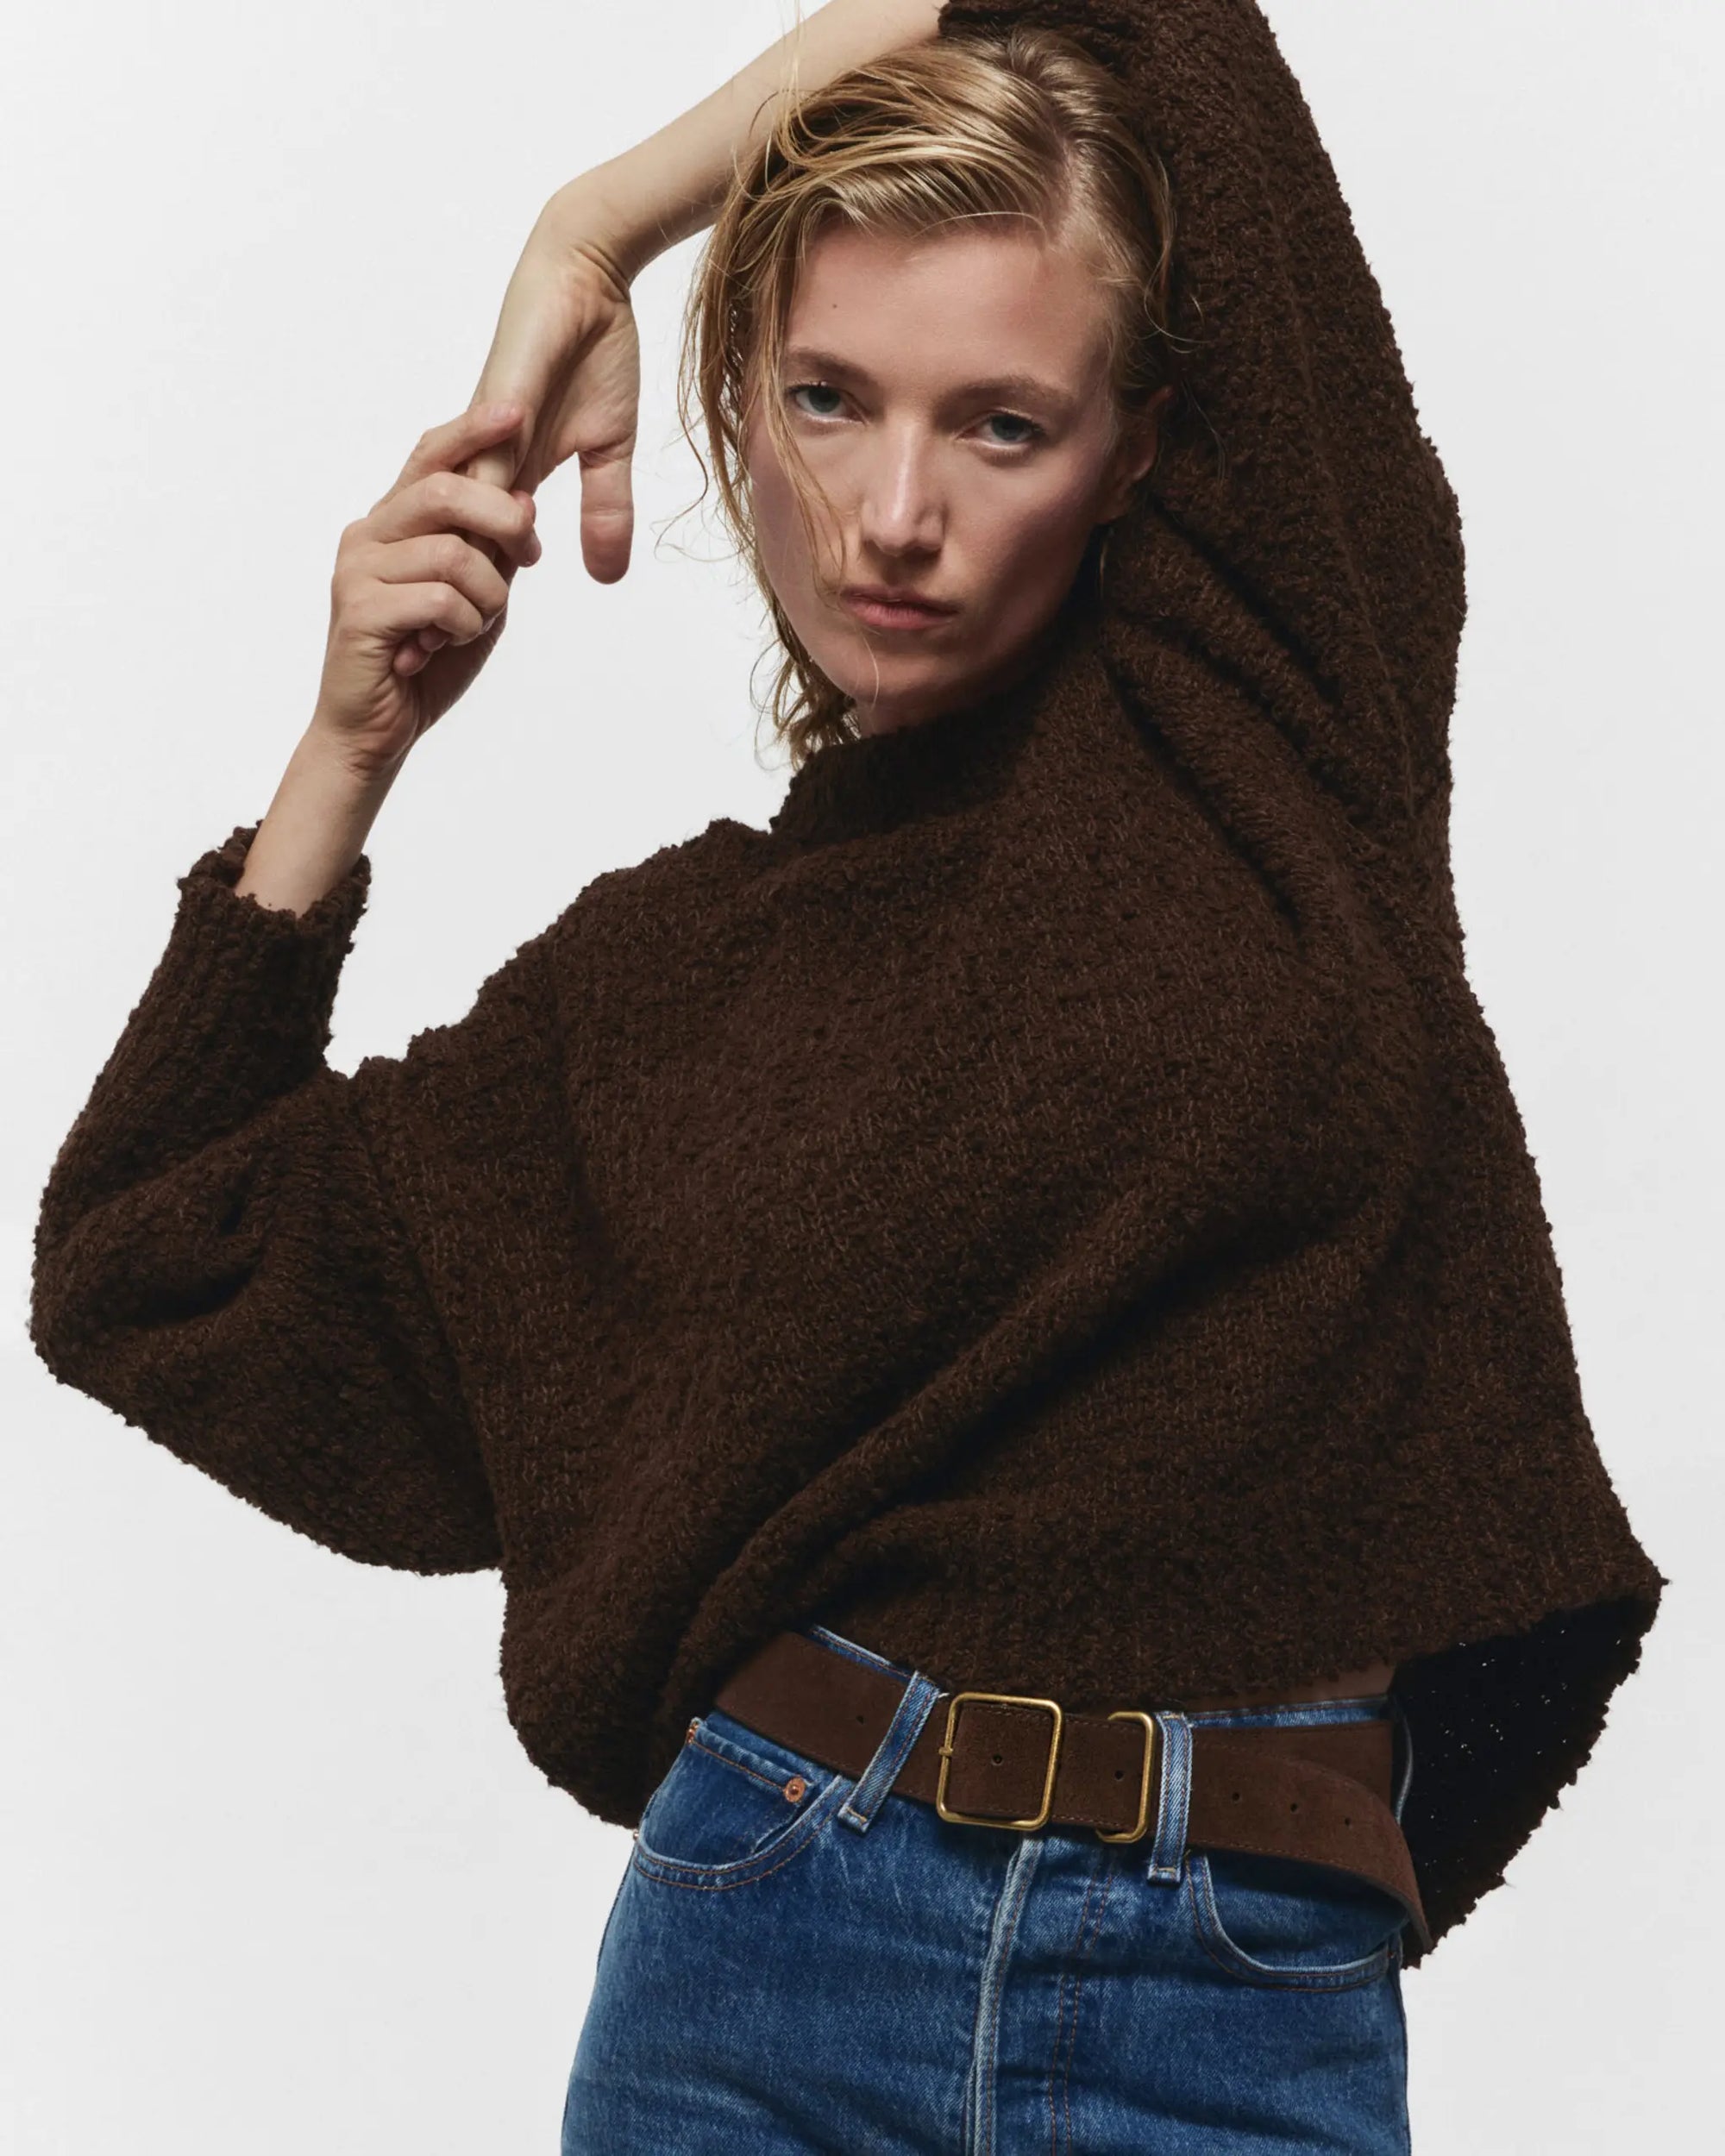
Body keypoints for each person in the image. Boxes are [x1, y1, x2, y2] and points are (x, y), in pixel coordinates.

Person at [28, 2, 1665, 2150]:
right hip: (765, 1952)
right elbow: (152, 1257)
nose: (895, 511)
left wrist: (597, 220)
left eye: (1002, 423)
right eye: (828, 398)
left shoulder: (1274, 731)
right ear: (744, 406)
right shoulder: (657, 995)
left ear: (1145, 442)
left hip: (1238, 1993)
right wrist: (347, 750)